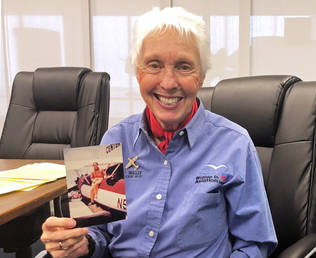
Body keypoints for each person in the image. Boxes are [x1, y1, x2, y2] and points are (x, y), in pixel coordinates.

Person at [40, 7, 277, 258]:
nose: (168, 83)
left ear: (202, 76)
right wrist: (80, 244)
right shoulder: (113, 138)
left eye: (184, 67)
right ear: (138, 73)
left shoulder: (235, 144)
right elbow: (99, 233)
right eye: (154, 65)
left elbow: (254, 244)